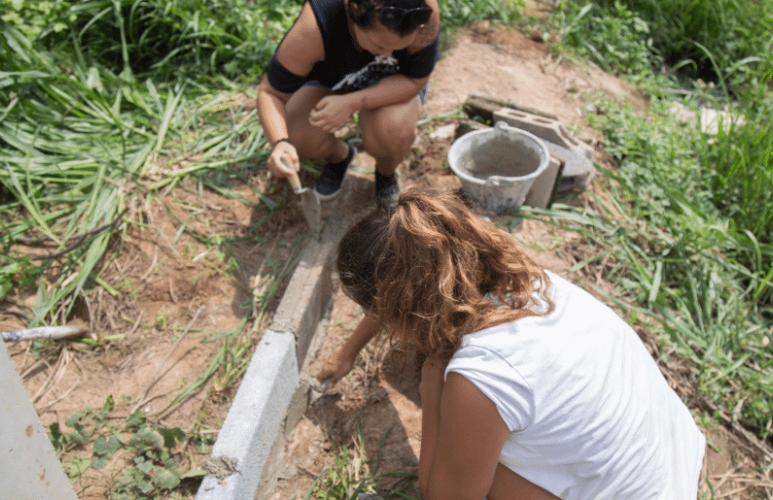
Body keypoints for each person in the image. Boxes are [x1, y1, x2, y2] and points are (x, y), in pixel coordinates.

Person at [324, 188, 706, 500]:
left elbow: (441, 496)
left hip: (639, 490)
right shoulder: (526, 282)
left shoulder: (479, 378)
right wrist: (347, 353)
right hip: (675, 465)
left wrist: (433, 379)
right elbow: (407, 285)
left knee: (475, 467)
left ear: (402, 309)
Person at [256, 0, 440, 207]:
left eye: (400, 47)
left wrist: (351, 102)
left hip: (392, 81)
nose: (388, 54)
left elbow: (414, 80)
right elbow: (270, 93)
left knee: (392, 129)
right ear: (354, 10)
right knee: (297, 135)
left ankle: (386, 173)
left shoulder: (424, 13)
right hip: (331, 78)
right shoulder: (316, 26)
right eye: (379, 45)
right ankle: (339, 156)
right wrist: (280, 143)